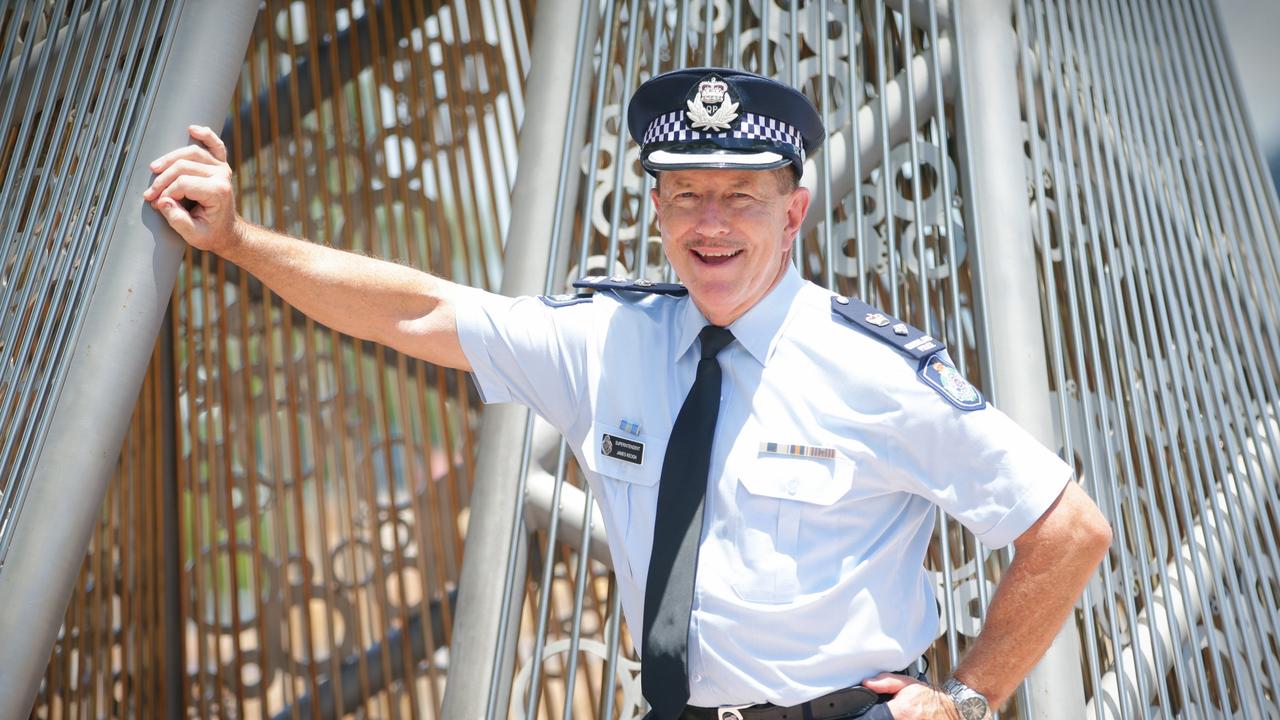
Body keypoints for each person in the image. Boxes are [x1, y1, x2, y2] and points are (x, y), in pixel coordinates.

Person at [144, 66, 1112, 720]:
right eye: (685, 193)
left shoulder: (869, 369)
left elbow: (1065, 529)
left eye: (741, 196)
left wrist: (972, 700)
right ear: (653, 209)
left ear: (794, 211)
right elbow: (414, 313)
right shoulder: (608, 340)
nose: (711, 221)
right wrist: (236, 241)